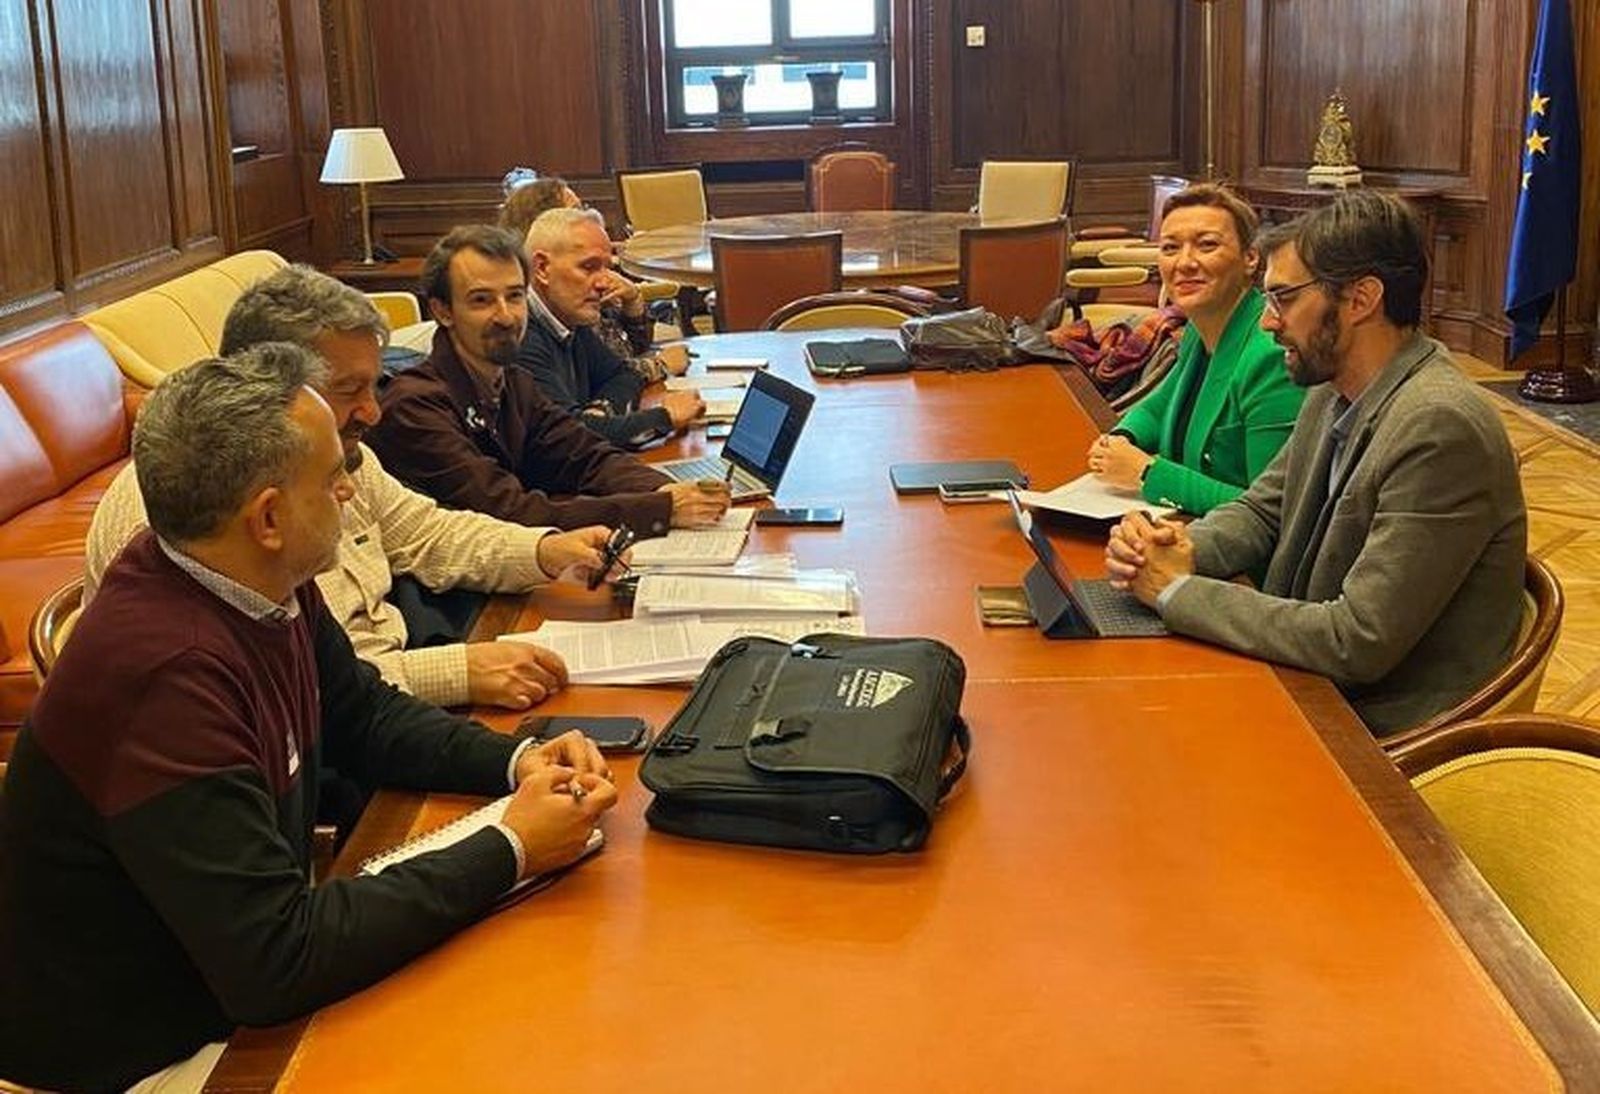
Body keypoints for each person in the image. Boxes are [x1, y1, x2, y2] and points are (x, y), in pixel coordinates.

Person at [0, 346, 617, 1092]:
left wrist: (516, 761)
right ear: (267, 516)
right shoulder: (165, 674)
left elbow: (364, 716)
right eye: (334, 479)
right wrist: (513, 844)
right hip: (138, 1060)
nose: (352, 493)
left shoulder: (252, 580)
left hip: (218, 989)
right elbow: (275, 962)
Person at [84, 265, 606, 713]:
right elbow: (301, 694)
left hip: (381, 705)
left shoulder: (337, 453)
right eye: (349, 389)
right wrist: (458, 671)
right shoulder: (197, 502)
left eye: (372, 385)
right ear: (274, 386)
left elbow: (427, 533)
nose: (373, 412)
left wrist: (546, 549)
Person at [1105, 190, 1526, 735]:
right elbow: (1261, 510)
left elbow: (1356, 641)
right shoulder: (1333, 389)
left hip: (1375, 729)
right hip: (1308, 683)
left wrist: (1177, 591)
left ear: (1360, 299)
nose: (1266, 322)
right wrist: (1179, 549)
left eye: (1282, 299)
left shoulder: (1439, 427)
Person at [367, 224, 730, 535]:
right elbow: (508, 512)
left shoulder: (513, 382)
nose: (506, 316)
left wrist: (674, 490)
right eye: (481, 301)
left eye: (514, 296)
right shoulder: (415, 406)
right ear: (442, 311)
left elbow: (587, 457)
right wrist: (660, 509)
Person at [1085, 184, 1304, 515]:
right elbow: (1158, 409)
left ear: (1250, 259)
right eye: (1170, 248)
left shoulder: (1272, 354)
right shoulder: (1198, 331)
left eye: (1207, 245)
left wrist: (1145, 473)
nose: (1184, 263)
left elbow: (1272, 512)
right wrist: (1120, 440)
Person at [516, 206, 703, 447]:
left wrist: (600, 410)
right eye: (588, 267)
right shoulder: (520, 337)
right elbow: (573, 439)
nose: (604, 282)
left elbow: (623, 374)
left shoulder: (569, 317)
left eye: (607, 267)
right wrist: (665, 417)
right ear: (542, 268)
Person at [499, 176, 690, 384]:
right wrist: (659, 366)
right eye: (576, 210)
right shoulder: (532, 323)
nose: (586, 216)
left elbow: (618, 368)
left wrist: (633, 302)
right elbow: (616, 370)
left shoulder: (572, 305)